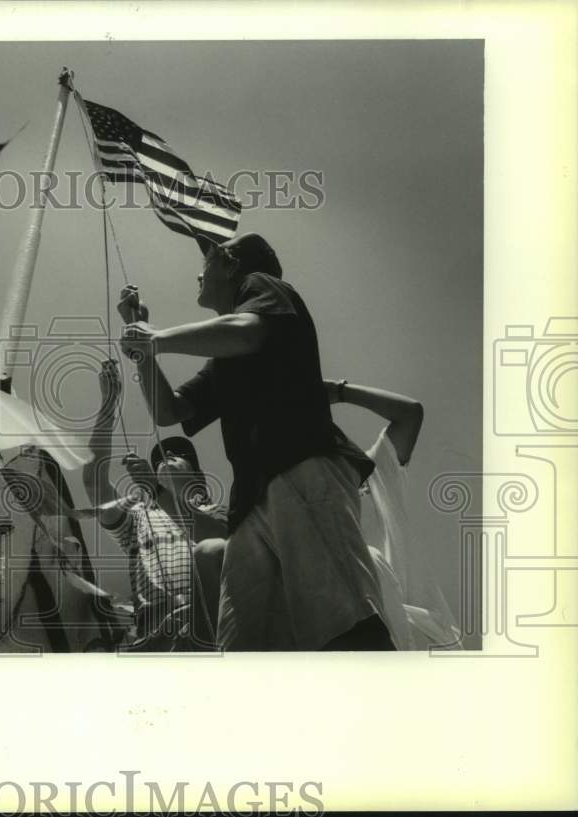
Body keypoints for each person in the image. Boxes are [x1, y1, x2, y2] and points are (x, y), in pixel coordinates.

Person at [118, 233, 392, 650]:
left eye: (206, 261)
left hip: (301, 468)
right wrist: (144, 348)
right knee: (244, 642)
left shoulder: (263, 286)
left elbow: (247, 331)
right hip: (251, 505)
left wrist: (156, 337)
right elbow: (168, 411)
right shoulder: (222, 355)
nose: (198, 272)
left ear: (230, 265)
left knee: (343, 618)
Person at [83, 359, 226, 650]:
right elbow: (94, 483)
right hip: (155, 636)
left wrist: (155, 488)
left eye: (177, 453)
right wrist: (109, 405)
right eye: (159, 458)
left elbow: (214, 540)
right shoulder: (138, 519)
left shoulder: (220, 511)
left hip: (213, 630)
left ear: (198, 476)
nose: (166, 453)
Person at [324, 379, 462, 649]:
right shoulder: (298, 508)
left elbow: (410, 413)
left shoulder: (374, 476)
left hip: (422, 639)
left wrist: (340, 392)